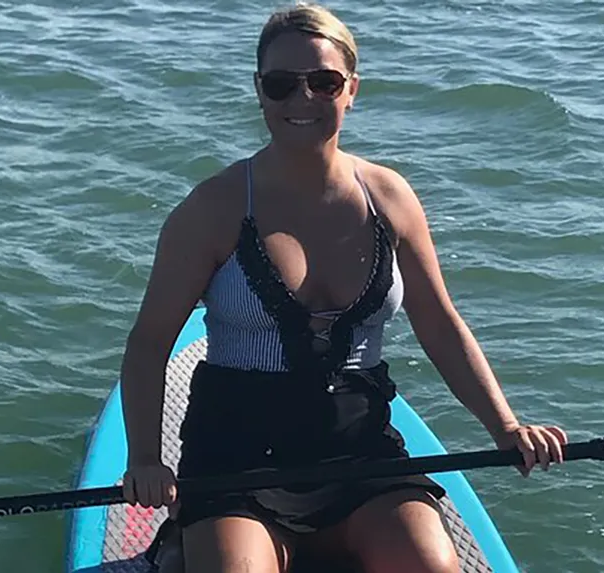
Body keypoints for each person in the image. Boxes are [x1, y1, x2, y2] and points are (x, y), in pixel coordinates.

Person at [119, 3, 568, 572]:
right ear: (260, 92)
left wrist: (505, 426)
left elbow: (440, 324)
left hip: (360, 453)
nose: (301, 100)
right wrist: (146, 460)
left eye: (323, 82)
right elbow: (150, 344)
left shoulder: (390, 198)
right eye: (281, 85)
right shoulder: (212, 209)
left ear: (351, 88)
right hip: (236, 457)